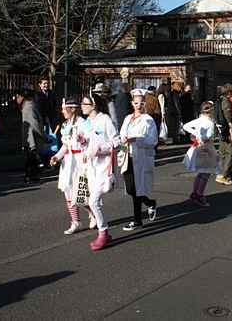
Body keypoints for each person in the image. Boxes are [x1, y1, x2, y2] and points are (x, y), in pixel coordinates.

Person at [49, 98, 95, 234]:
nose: (62, 111)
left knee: (81, 192)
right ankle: (76, 222)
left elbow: (92, 139)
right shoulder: (65, 125)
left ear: (72, 109)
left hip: (80, 160)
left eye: (64, 109)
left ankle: (93, 213)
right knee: (68, 191)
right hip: (68, 162)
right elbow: (65, 145)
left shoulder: (84, 123)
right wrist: (57, 156)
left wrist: (84, 140)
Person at [80, 93, 118, 251]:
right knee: (92, 201)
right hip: (91, 169)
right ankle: (105, 234)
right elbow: (86, 145)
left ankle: (103, 233)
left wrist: (101, 149)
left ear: (93, 105)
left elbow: (116, 141)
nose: (82, 106)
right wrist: (82, 142)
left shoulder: (105, 120)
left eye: (85, 103)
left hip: (104, 168)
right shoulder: (87, 122)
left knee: (93, 202)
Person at [119, 90, 158, 231]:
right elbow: (122, 134)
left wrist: (136, 139)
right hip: (127, 156)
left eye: (141, 103)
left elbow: (153, 140)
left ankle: (137, 220)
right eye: (136, 103)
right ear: (132, 104)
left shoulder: (148, 120)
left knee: (136, 188)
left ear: (145, 104)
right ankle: (150, 202)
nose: (139, 105)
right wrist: (122, 139)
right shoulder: (127, 118)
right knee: (130, 189)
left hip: (140, 157)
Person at [183, 101, 220, 207]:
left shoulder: (199, 120)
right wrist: (199, 135)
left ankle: (195, 193)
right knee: (206, 173)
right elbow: (207, 137)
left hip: (198, 147)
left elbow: (186, 126)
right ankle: (199, 195)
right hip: (206, 148)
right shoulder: (210, 122)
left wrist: (195, 134)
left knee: (201, 172)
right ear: (211, 111)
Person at [17, 88, 46, 184]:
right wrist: (43, 135)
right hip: (32, 136)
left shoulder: (27, 106)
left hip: (30, 135)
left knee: (30, 158)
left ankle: (30, 176)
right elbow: (35, 124)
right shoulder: (30, 106)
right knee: (31, 158)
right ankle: (31, 176)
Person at [215, 85, 232, 185]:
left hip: (221, 130)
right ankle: (224, 175)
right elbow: (229, 121)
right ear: (228, 92)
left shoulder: (218, 101)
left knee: (223, 153)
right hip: (227, 131)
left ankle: (223, 173)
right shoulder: (226, 102)